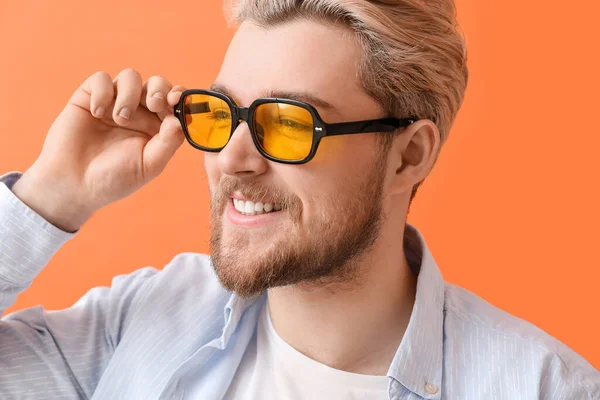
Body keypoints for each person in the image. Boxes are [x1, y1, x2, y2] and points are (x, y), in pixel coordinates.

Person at [0, 0, 598, 399]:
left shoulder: (540, 387)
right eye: (220, 113)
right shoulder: (145, 320)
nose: (232, 157)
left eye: (287, 122)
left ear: (409, 155)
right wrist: (49, 195)